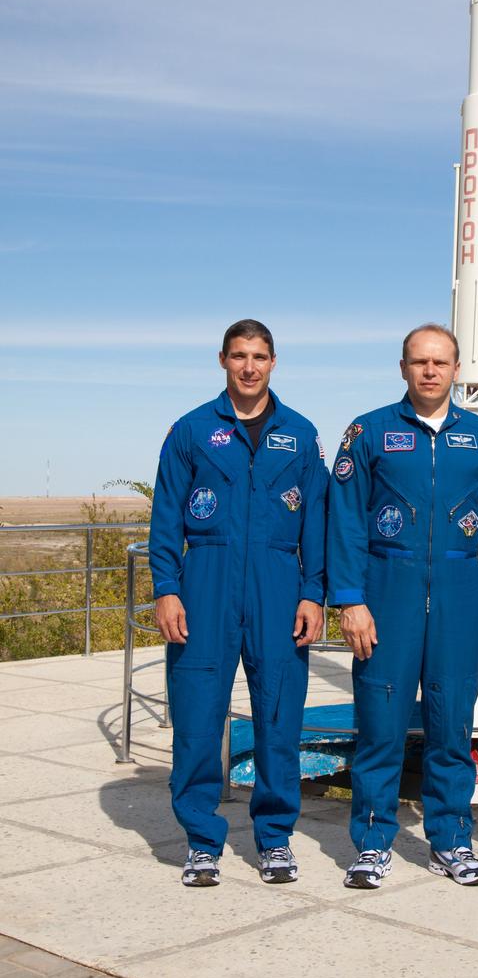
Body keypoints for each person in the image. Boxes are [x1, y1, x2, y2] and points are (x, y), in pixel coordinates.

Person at [327, 324, 478, 889]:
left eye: (440, 362)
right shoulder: (368, 432)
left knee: (451, 727)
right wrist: (350, 600)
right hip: (387, 594)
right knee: (381, 726)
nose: (430, 372)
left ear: (456, 370)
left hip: (461, 596)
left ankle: (452, 841)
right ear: (403, 367)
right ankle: (371, 843)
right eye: (419, 362)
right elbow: (343, 521)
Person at [150, 319, 327, 887]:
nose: (249, 366)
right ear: (222, 360)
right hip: (204, 584)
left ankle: (274, 840)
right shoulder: (192, 430)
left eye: (259, 356)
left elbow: (318, 525)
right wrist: (167, 588)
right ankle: (202, 841)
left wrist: (313, 593)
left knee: (279, 717)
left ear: (274, 362)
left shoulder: (300, 435)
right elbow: (164, 518)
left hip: (278, 588)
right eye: (239, 356)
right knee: (199, 719)